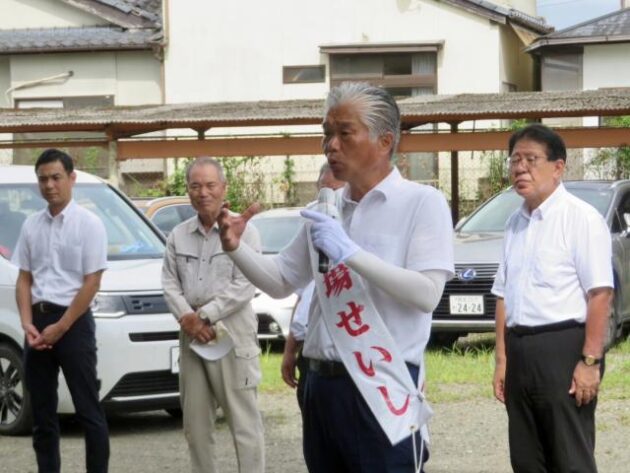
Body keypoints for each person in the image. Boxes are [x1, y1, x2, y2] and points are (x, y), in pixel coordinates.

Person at [218, 82, 454, 473]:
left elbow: (427, 293)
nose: (331, 145)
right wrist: (235, 247)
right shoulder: (323, 209)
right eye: (327, 134)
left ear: (384, 141)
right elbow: (281, 280)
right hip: (320, 385)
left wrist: (351, 253)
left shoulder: (421, 202)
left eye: (345, 133)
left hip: (381, 383)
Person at [491, 124, 613, 473]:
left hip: (563, 348)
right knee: (527, 458)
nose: (520, 168)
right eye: (515, 160)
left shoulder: (581, 218)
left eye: (531, 160)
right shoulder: (515, 223)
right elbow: (503, 294)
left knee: (569, 457)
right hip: (520, 350)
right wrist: (502, 359)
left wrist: (590, 361)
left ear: (558, 167)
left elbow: (600, 293)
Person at [161, 157, 265, 473]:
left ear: (223, 187)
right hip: (191, 334)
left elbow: (245, 285)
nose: (203, 192)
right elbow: (169, 283)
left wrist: (204, 316)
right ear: (188, 190)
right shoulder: (178, 235)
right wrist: (188, 318)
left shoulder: (244, 232)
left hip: (232, 333)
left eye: (210, 185)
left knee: (244, 425)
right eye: (195, 186)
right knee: (195, 427)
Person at [13, 149, 110, 473]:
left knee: (88, 411)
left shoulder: (89, 224)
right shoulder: (31, 225)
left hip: (74, 322)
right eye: (43, 179)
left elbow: (92, 282)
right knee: (42, 415)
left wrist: (62, 326)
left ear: (71, 178)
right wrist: (27, 323)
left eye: (56, 177)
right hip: (37, 324)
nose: (49, 185)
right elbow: (24, 278)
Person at [281, 162, 345, 414]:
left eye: (336, 191)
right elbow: (301, 300)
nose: (329, 199)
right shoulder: (311, 232)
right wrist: (289, 351)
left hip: (349, 357)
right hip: (311, 355)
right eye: (324, 190)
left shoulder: (355, 237)